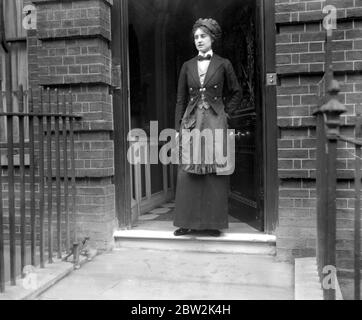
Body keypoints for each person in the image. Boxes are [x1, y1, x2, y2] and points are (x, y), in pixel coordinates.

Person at [173, 18, 242, 237]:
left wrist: (225, 112)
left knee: (214, 171)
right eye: (196, 37)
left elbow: (237, 92)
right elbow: (180, 100)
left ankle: (212, 224)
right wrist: (177, 128)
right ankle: (186, 222)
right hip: (191, 122)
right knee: (188, 171)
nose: (199, 40)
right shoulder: (187, 66)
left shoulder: (224, 63)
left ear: (212, 38)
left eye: (203, 36)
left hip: (214, 122)